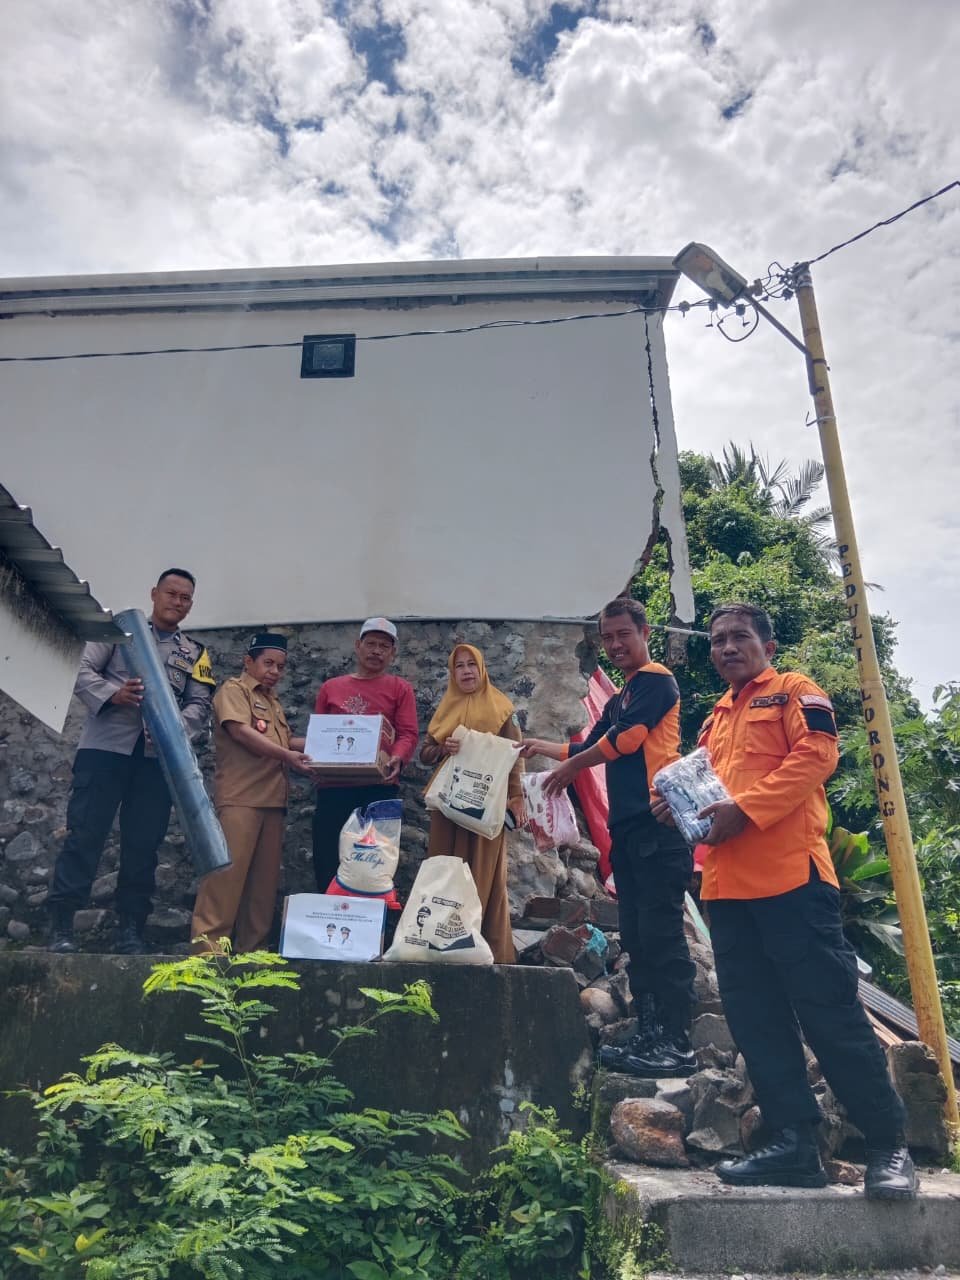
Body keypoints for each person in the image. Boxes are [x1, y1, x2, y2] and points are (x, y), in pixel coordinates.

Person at [654, 602, 916, 1199]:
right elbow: (710, 798)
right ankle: (794, 1145)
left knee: (831, 1013)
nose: (726, 648)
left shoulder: (796, 691)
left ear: (767, 647)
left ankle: (888, 1146)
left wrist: (744, 811)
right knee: (757, 1021)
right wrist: (678, 808)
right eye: (717, 640)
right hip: (725, 890)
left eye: (739, 637)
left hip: (793, 882)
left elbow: (818, 757)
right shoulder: (714, 720)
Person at [522, 597, 696, 1076]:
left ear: (644, 633)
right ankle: (650, 1035)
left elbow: (626, 741)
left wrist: (571, 768)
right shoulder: (622, 696)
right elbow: (589, 741)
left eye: (624, 634)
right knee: (638, 937)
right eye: (608, 637)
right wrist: (545, 748)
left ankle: (677, 1043)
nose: (615, 644)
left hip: (658, 826)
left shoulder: (656, 681)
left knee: (662, 938)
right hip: (629, 831)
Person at [48, 569, 215, 955]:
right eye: (171, 593)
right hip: (104, 752)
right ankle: (61, 926)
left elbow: (199, 704)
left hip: (157, 761)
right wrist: (114, 693)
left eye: (185, 598)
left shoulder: (195, 653)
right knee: (84, 836)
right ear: (154, 594)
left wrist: (174, 729)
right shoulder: (119, 632)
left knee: (143, 846)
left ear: (190, 605)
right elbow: (80, 670)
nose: (177, 602)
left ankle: (130, 930)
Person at [191, 634, 312, 954]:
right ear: (248, 661)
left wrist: (337, 739)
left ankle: (252, 954)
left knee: (263, 887)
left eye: (281, 667)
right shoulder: (234, 690)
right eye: (268, 663)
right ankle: (207, 954)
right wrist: (288, 756)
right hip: (241, 798)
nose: (275, 671)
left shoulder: (273, 701)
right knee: (224, 881)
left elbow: (285, 742)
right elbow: (241, 732)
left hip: (273, 801)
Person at [420, 644, 525, 964]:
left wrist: (516, 797)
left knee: (484, 875)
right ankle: (441, 946)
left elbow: (515, 754)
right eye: (459, 666)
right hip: (448, 806)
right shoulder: (446, 707)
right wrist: (443, 748)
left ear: (482, 669)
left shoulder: (501, 708)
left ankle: (487, 951)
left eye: (471, 665)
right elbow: (425, 754)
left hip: (485, 806)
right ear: (452, 673)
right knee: (445, 869)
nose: (466, 671)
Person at [311, 618, 419, 893]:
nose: (376, 651)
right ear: (358, 646)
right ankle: (328, 910)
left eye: (384, 646)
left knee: (375, 863)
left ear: (393, 653)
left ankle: (373, 916)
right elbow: (320, 734)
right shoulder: (330, 688)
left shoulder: (400, 688)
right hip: (334, 788)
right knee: (328, 855)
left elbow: (408, 733)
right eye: (371, 644)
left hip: (379, 787)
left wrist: (397, 757)